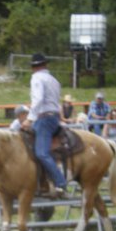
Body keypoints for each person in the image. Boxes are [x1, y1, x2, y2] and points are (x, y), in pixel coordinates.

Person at [23, 53, 67, 198]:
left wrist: (29, 119)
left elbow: (38, 99)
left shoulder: (36, 78)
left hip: (44, 119)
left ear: (33, 67)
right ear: (45, 65)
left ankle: (60, 182)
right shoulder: (54, 80)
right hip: (53, 118)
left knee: (41, 153)